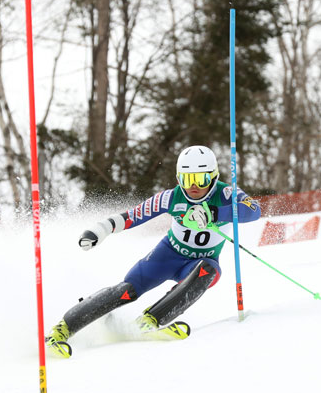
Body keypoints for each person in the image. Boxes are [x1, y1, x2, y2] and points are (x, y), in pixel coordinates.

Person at [45, 145, 261, 357]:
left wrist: (214, 213)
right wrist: (101, 229)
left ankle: (150, 320)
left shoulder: (226, 193)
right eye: (187, 179)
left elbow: (253, 210)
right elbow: (134, 215)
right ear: (179, 178)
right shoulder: (170, 197)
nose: (193, 186)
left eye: (201, 179)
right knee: (127, 290)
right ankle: (62, 329)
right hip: (167, 256)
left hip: (199, 263)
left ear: (213, 177)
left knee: (209, 271)